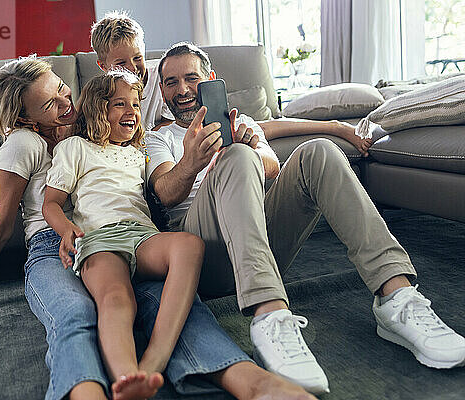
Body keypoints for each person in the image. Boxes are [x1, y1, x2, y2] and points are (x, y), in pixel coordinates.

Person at [0, 55, 316, 400]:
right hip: (59, 241)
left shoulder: (110, 140)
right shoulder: (27, 145)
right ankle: (90, 391)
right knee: (80, 312)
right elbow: (4, 223)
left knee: (173, 305)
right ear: (25, 117)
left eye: (63, 91)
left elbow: (147, 148)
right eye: (50, 105)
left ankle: (250, 382)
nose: (66, 105)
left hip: (129, 233)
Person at [145, 42, 465, 394]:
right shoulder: (158, 138)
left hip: (258, 245)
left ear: (211, 79)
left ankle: (396, 296)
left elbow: (271, 168)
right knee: (235, 157)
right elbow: (163, 192)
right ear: (162, 90)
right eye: (172, 82)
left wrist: (248, 145)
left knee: (319, 151)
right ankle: (270, 315)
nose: (183, 90)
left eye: (191, 78)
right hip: (205, 256)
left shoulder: (242, 122)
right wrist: (193, 160)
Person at [42, 69, 205, 399]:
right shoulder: (75, 147)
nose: (131, 111)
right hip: (100, 238)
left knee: (189, 245)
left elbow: (167, 182)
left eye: (135, 103)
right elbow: (51, 204)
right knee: (117, 299)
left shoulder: (138, 152)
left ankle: (152, 363)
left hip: (142, 235)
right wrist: (66, 230)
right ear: (98, 109)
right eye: (120, 104)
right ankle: (128, 377)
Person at [90, 11, 373, 155]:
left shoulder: (164, 77)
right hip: (157, 148)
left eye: (136, 58)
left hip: (186, 133)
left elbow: (180, 122)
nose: (132, 70)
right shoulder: (103, 93)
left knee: (252, 126)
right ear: (103, 67)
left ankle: (335, 126)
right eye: (120, 64)